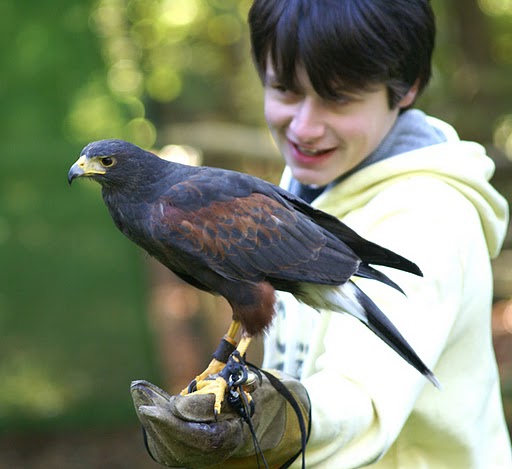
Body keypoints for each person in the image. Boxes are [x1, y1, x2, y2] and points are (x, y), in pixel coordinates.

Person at [131, 0, 512, 467]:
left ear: (406, 88)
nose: (306, 127)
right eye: (286, 90)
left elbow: (364, 398)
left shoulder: (428, 217)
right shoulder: (307, 189)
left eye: (338, 97)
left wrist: (288, 419)